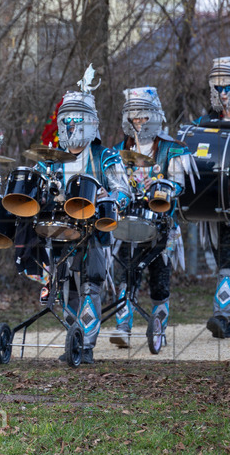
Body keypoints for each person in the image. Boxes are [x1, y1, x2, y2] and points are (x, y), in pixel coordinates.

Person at [26, 81, 131, 364]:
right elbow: (35, 187)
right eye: (67, 119)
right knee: (68, 288)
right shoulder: (51, 160)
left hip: (95, 232)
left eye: (77, 119)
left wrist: (109, 195)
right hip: (62, 229)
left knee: (91, 286)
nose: (71, 125)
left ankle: (86, 347)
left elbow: (123, 190)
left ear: (90, 123)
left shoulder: (105, 156)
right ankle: (74, 344)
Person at [110, 87, 192, 348]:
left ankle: (158, 329)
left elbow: (180, 183)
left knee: (159, 279)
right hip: (128, 223)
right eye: (134, 116)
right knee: (126, 273)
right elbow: (112, 181)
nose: (138, 121)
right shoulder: (118, 150)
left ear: (154, 116)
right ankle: (123, 328)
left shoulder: (171, 148)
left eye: (143, 116)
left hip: (162, 225)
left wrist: (167, 187)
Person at [196, 57, 230, 338]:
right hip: (219, 200)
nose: (223, 92)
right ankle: (223, 316)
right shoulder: (205, 122)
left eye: (228, 86)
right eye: (218, 86)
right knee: (225, 256)